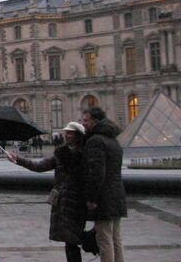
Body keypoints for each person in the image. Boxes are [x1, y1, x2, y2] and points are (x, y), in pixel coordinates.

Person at [7, 122, 87, 262]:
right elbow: (39, 166)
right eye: (65, 132)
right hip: (63, 202)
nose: (66, 135)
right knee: (69, 241)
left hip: (77, 202)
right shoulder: (61, 154)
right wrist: (18, 160)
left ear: (78, 135)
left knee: (73, 240)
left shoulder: (86, 154)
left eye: (69, 133)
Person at [81, 107, 127, 262]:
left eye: (86, 120)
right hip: (117, 195)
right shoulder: (113, 140)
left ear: (95, 121)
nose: (83, 124)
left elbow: (96, 173)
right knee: (116, 238)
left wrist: (92, 199)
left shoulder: (95, 141)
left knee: (104, 239)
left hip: (103, 198)